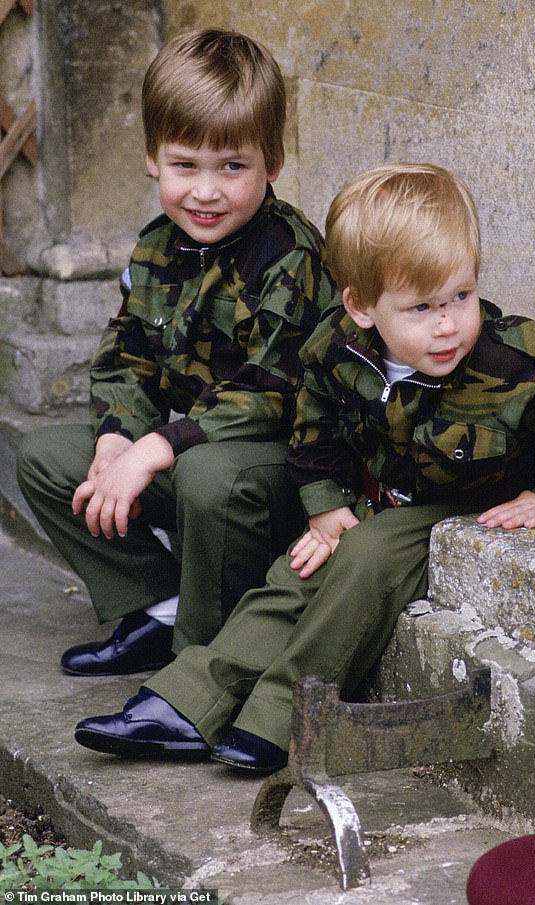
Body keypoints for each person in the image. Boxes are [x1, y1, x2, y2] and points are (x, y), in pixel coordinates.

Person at [72, 162, 535, 772]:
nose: (448, 324)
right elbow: (313, 428)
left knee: (367, 556)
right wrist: (325, 508)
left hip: (465, 506)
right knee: (296, 571)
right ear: (362, 306)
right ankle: (188, 698)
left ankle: (282, 716)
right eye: (421, 307)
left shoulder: (518, 359)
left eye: (462, 295)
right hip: (385, 496)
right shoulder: (337, 349)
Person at [16, 28, 340, 676]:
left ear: (272, 161)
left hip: (279, 475)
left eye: (232, 166)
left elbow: (270, 390)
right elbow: (128, 354)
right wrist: (117, 437)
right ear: (152, 159)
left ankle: (202, 668)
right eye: (185, 165)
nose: (206, 191)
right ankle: (159, 609)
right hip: (195, 453)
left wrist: (156, 448)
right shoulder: (156, 248)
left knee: (207, 473)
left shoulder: (289, 255)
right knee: (49, 459)